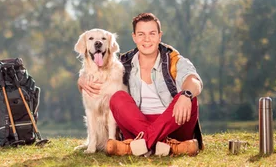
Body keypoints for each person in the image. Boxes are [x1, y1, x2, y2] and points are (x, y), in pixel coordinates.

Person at [78, 12, 203, 156]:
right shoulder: (124, 64)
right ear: (134, 37)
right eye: (141, 34)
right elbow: (99, 73)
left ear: (159, 36)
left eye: (152, 33)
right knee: (118, 97)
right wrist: (81, 78)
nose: (147, 39)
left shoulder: (174, 59)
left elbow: (194, 81)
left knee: (190, 98)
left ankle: (131, 147)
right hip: (137, 124)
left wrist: (186, 95)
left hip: (172, 122)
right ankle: (172, 147)